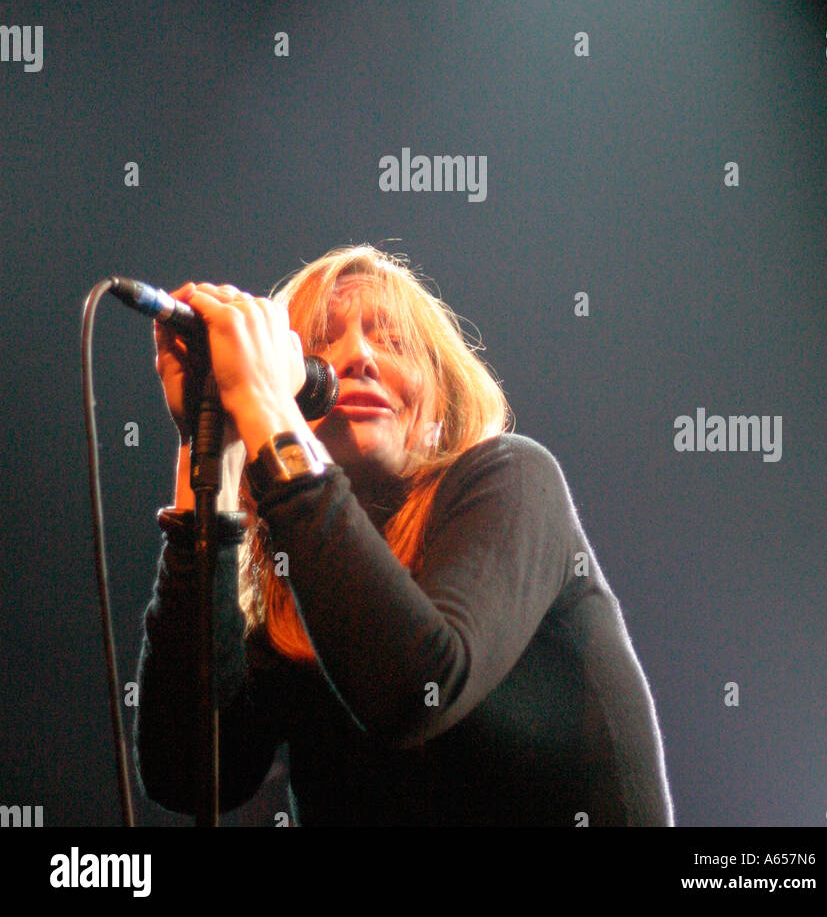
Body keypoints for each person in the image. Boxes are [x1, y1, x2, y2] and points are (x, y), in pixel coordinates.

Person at [134, 243, 674, 826]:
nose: (358, 357)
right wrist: (210, 445)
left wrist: (265, 404)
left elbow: (418, 691)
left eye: (390, 340)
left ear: (439, 392)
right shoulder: (295, 573)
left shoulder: (513, 479)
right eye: (319, 343)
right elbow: (191, 775)